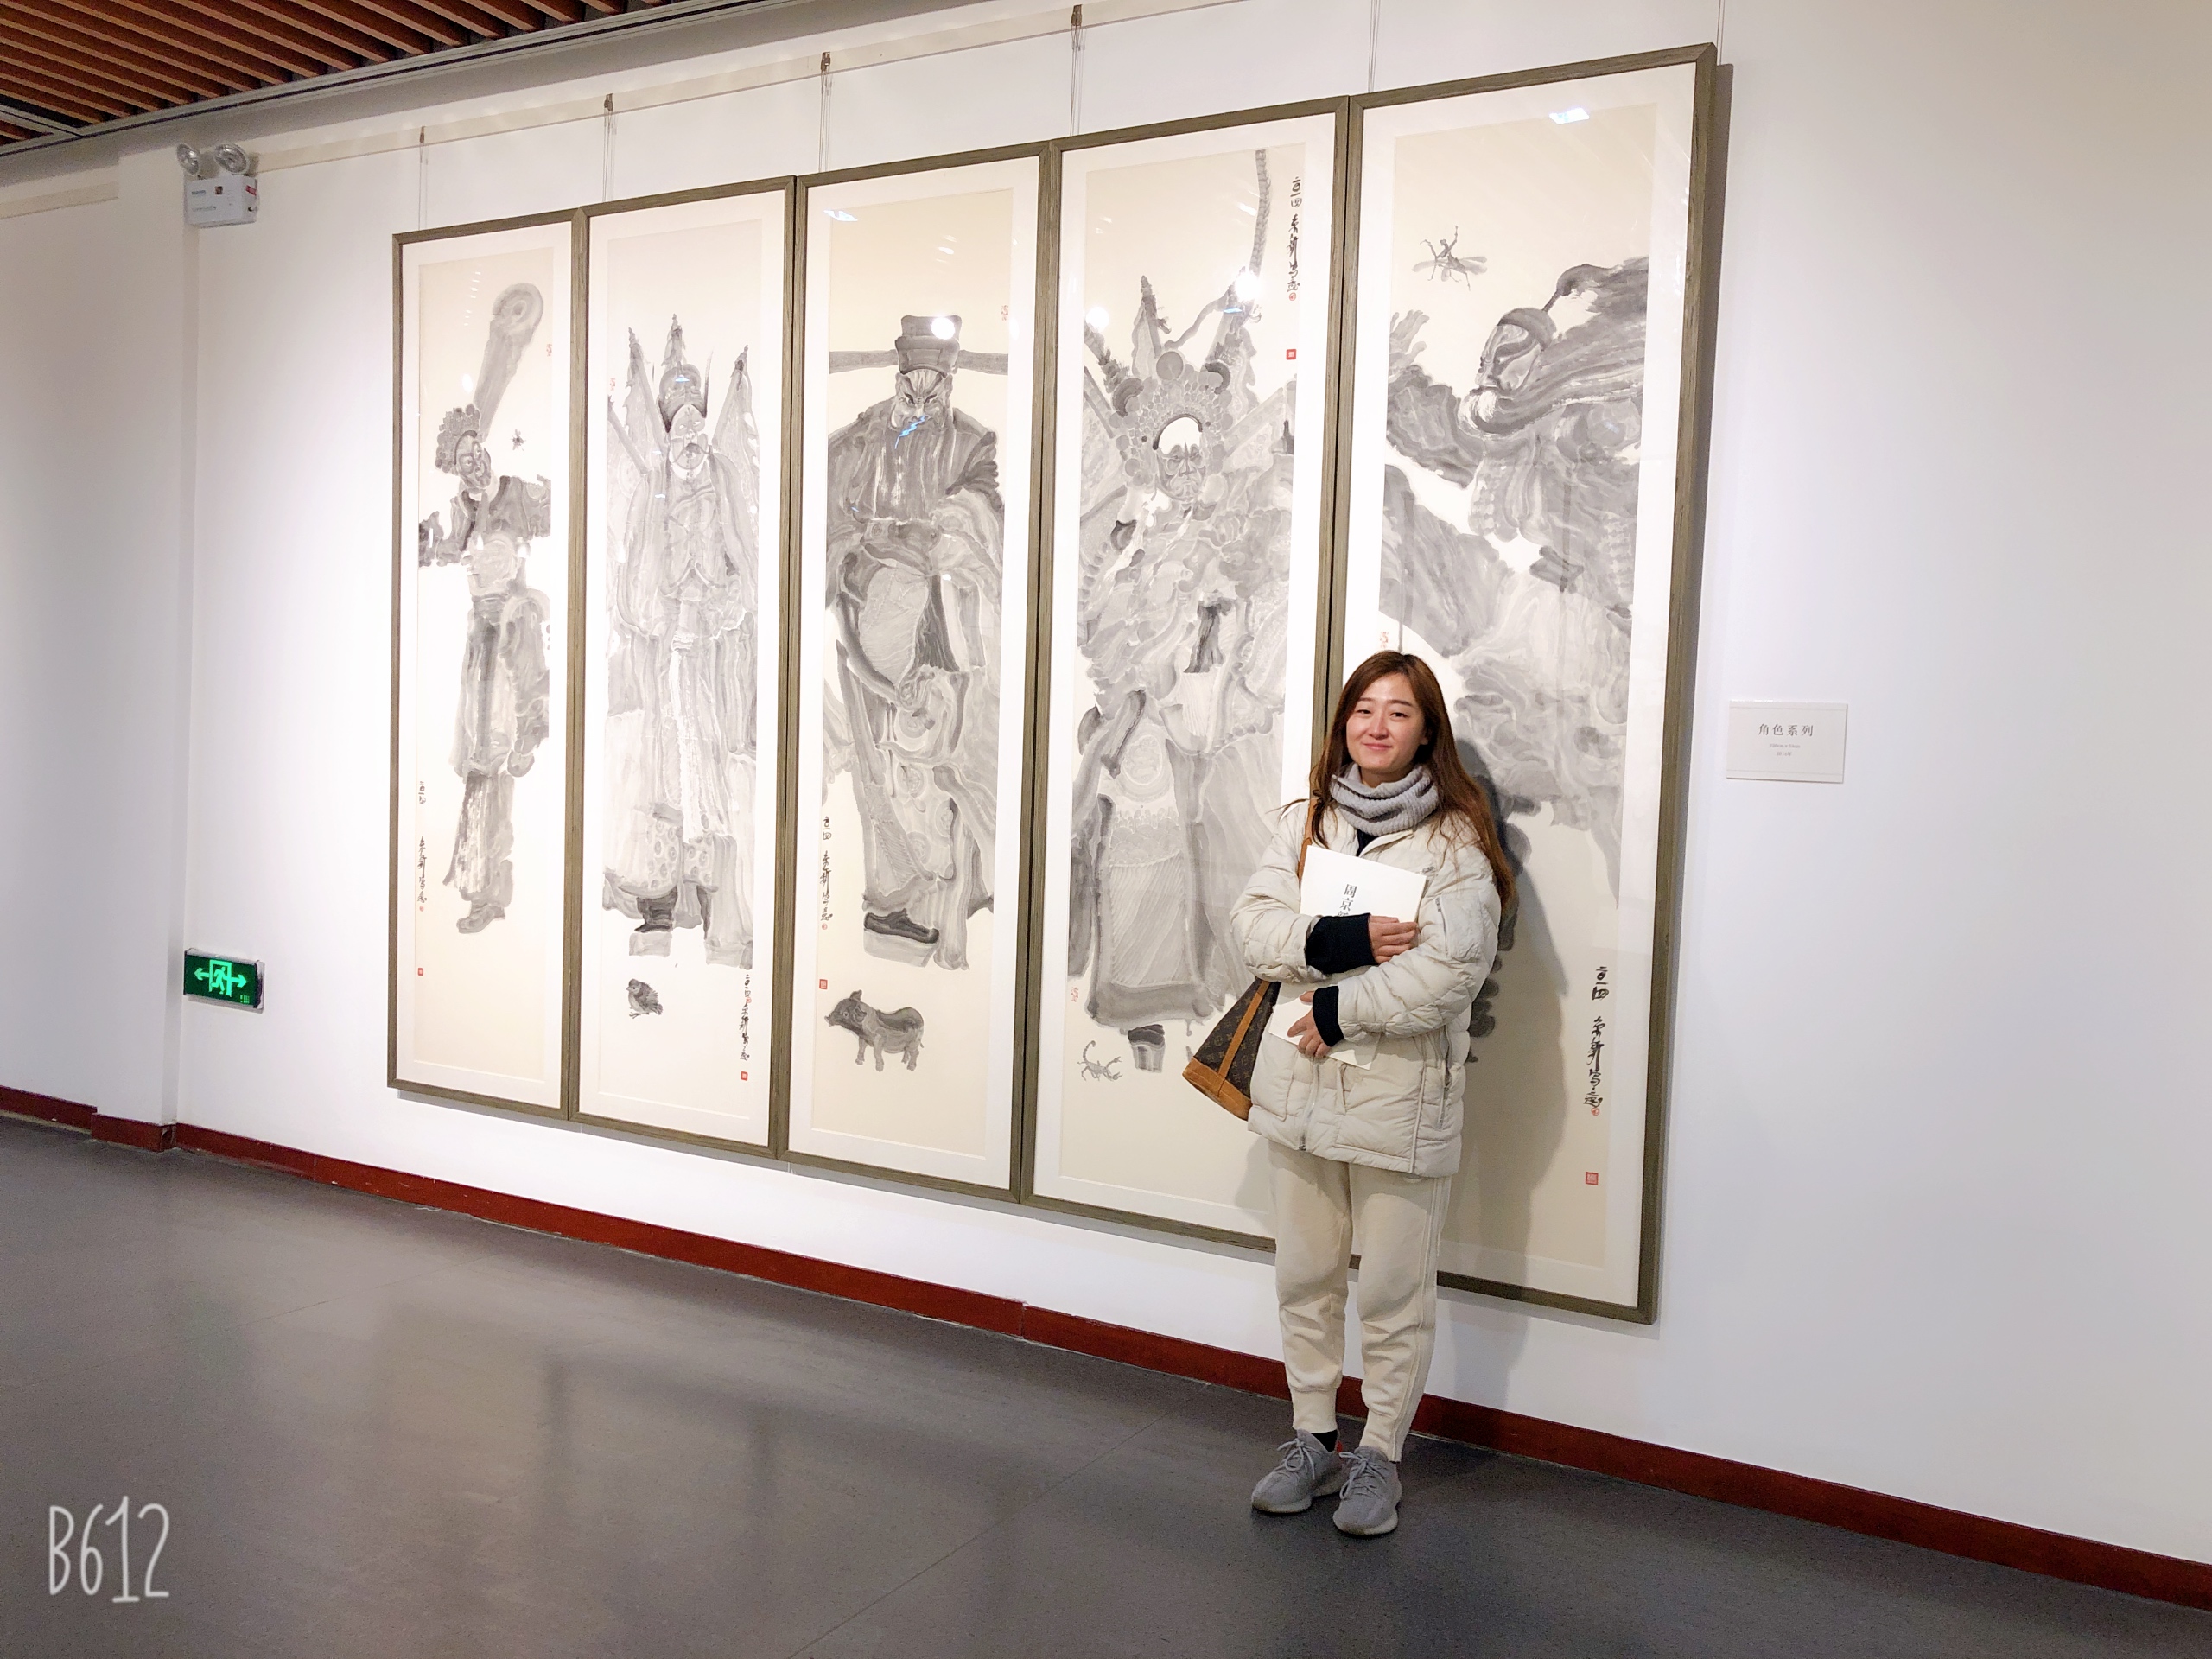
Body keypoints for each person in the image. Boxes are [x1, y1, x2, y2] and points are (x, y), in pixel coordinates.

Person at [1229, 649, 1515, 1536]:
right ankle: (1313, 1439)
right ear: (1343, 723)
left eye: (1398, 712)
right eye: (1362, 709)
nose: (1376, 726)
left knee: (1393, 1293)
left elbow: (1452, 970)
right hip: (1299, 1087)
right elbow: (1252, 927)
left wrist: (1338, 1009)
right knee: (1304, 1278)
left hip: (1400, 1098)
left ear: (1427, 731)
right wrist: (1342, 938)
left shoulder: (1456, 841)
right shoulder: (1305, 821)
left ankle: (1379, 1457)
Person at [823, 314, 1003, 969]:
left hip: (940, 620)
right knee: (879, 761)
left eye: (935, 391)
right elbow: (829, 521)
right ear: (897, 379)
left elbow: (986, 512)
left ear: (950, 384)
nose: (922, 403)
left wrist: (950, 527)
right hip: (867, 614)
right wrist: (864, 549)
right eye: (911, 390)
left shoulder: (973, 442)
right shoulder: (859, 439)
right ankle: (892, 904)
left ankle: (942, 904)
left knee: (933, 765)